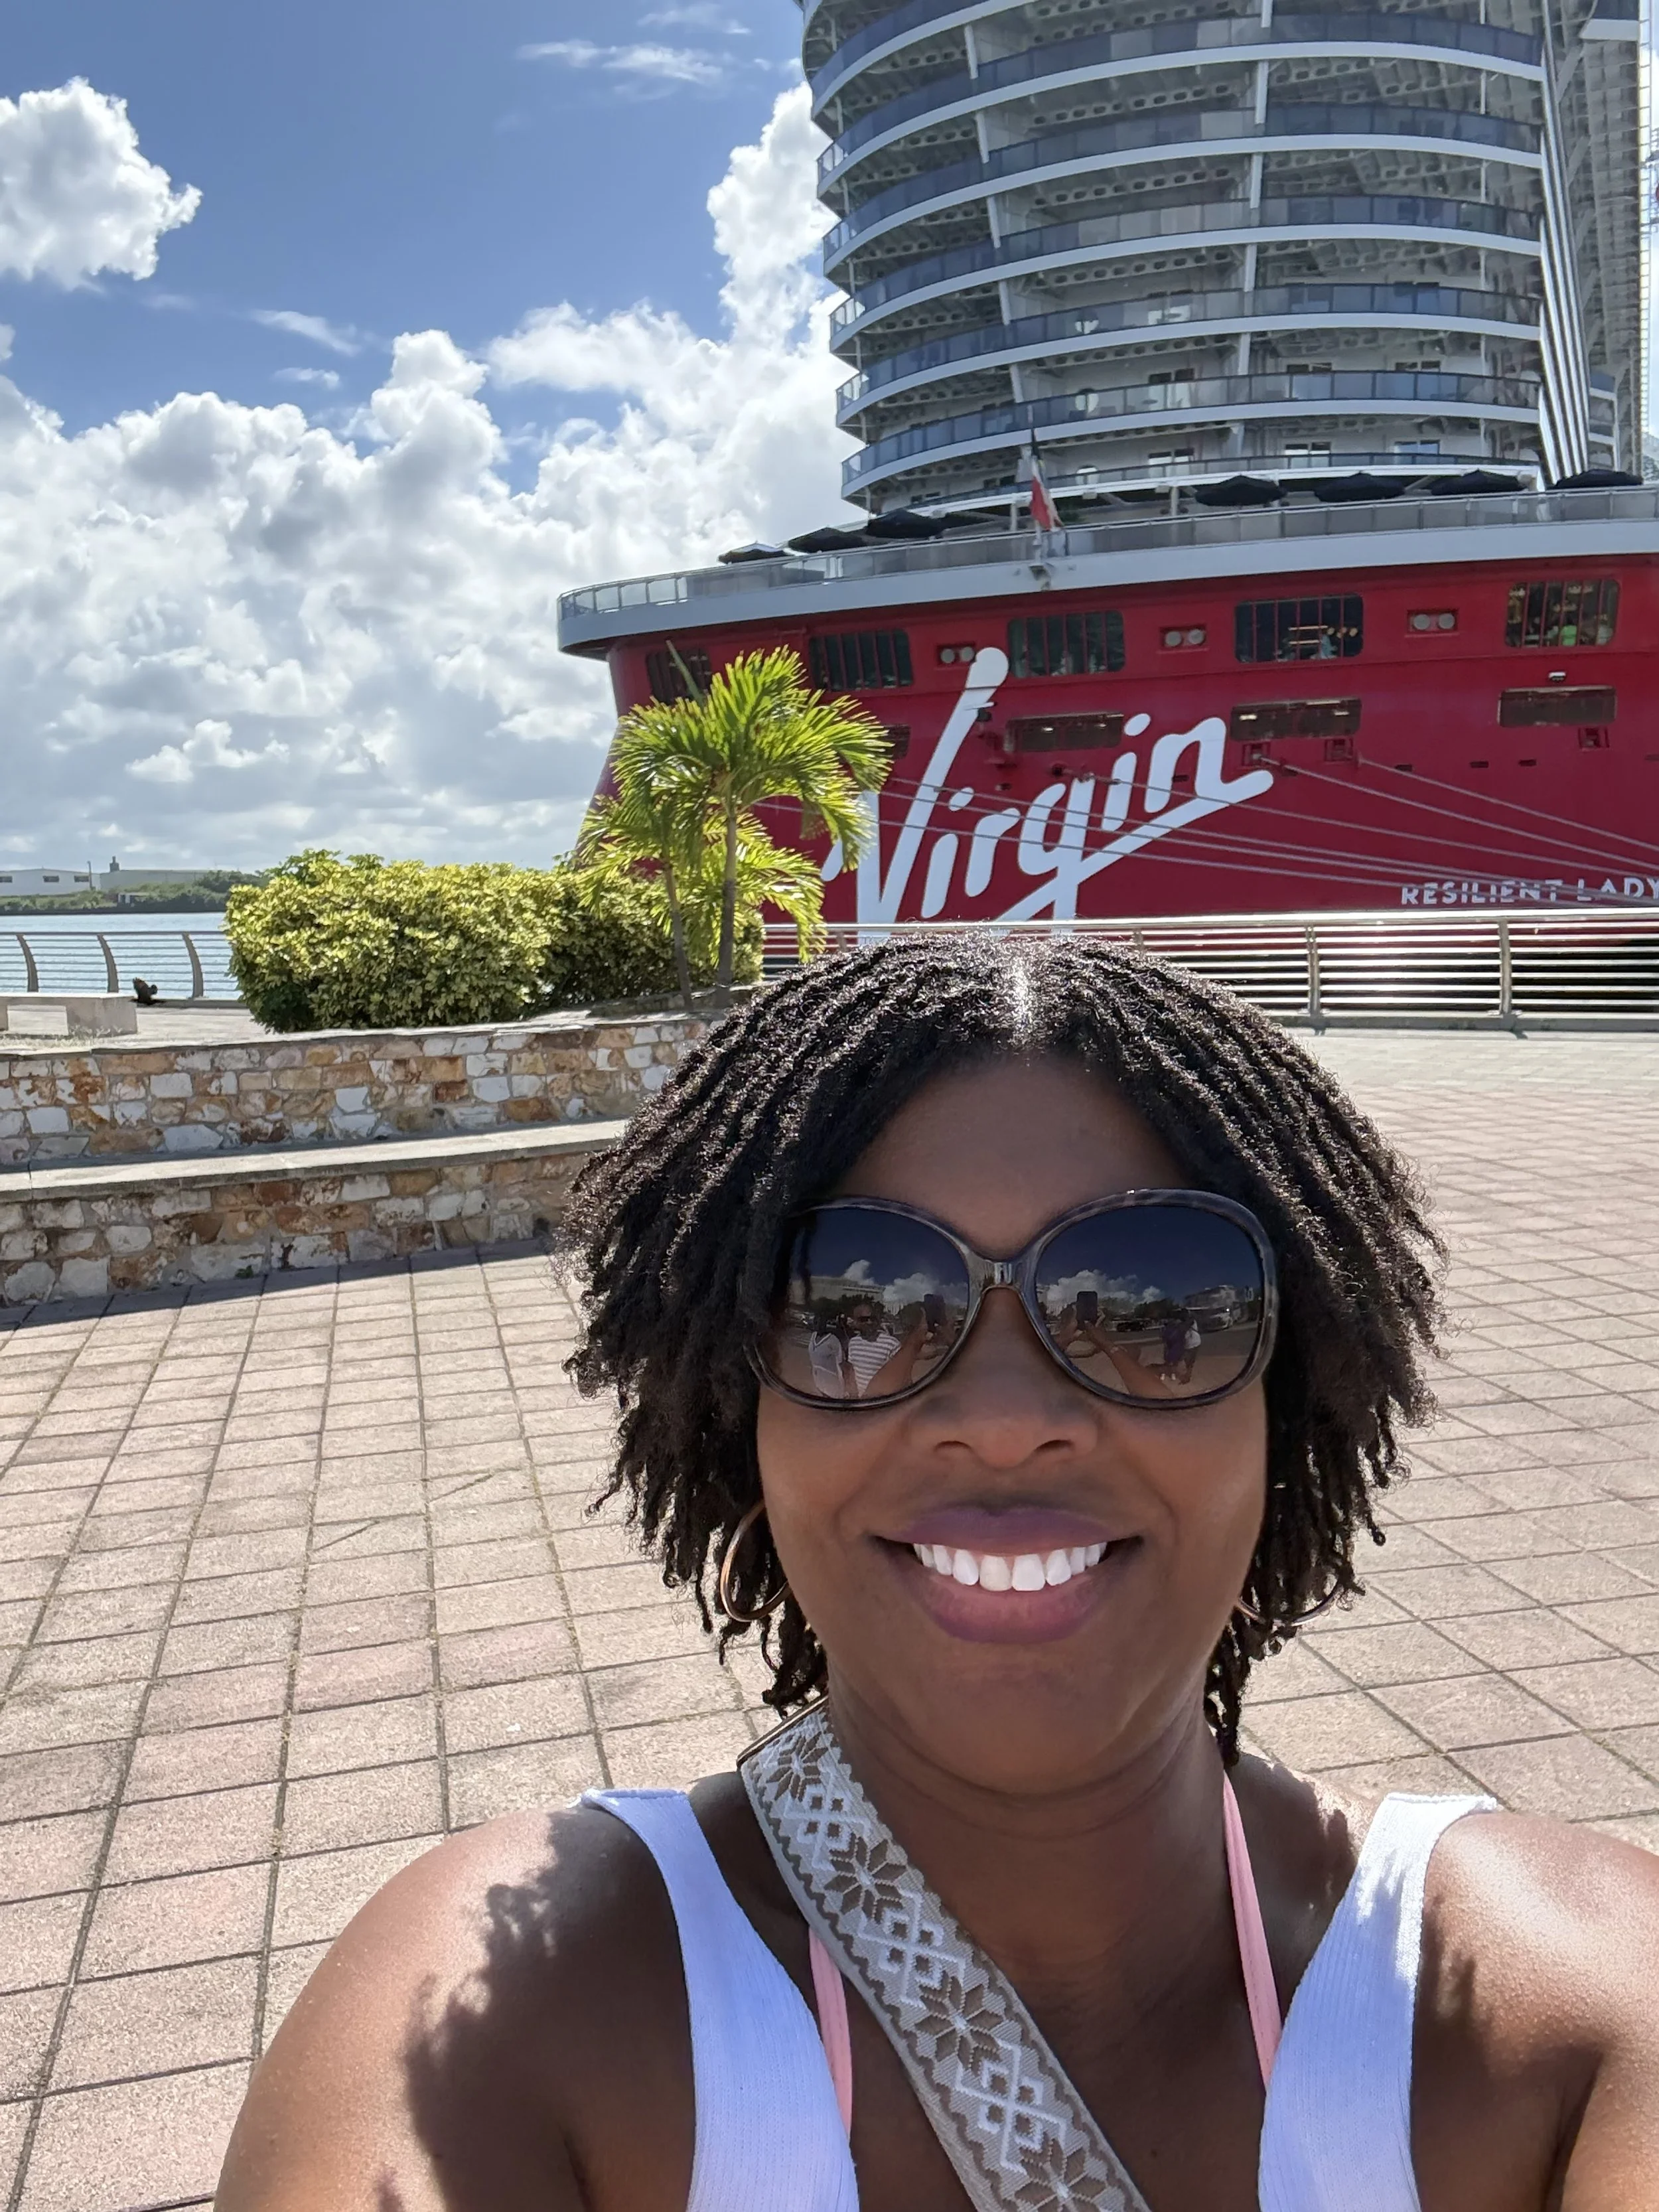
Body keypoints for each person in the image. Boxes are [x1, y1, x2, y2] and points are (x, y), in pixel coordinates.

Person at [216, 937, 1659, 2211]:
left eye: (1153, 1298)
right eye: (857, 1301)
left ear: (1287, 1405)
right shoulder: (514, 2020)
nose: (1006, 1418)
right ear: (734, 1409)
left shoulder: (1579, 2009)